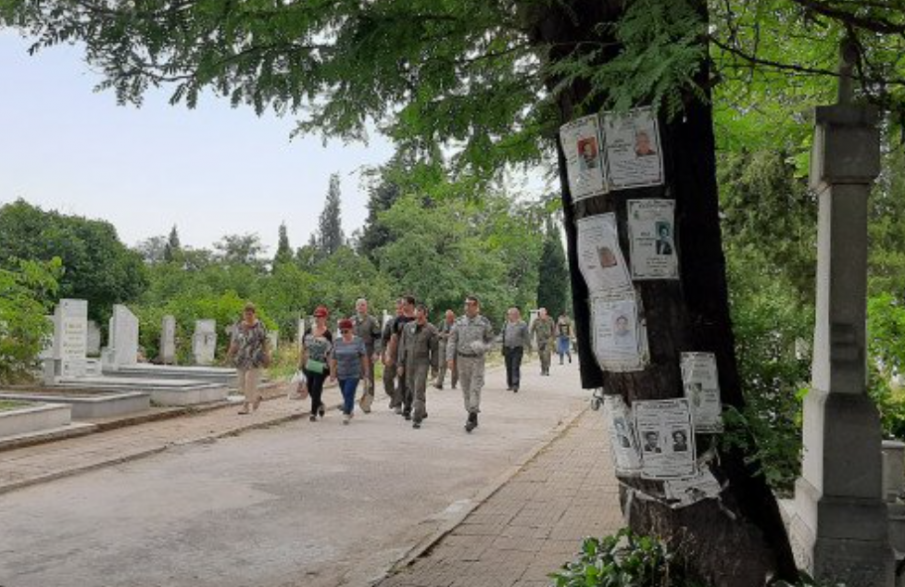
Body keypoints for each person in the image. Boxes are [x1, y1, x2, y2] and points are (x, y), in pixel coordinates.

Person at [446, 295, 494, 433]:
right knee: (466, 390)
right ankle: (472, 413)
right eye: (466, 304)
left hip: (477, 360)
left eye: (470, 304)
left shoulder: (484, 323)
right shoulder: (459, 322)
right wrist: (450, 358)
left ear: (476, 306)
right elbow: (452, 340)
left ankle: (471, 417)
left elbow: (491, 341)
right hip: (461, 360)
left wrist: (483, 347)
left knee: (475, 388)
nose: (467, 307)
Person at [397, 304, 439, 428]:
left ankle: (417, 417)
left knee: (419, 388)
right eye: (417, 313)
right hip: (409, 361)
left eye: (421, 313)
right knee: (411, 387)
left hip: (423, 361)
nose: (418, 316)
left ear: (425, 315)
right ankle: (422, 409)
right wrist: (400, 363)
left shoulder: (431, 330)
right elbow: (402, 346)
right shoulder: (408, 327)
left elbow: (435, 350)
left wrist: (435, 367)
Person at [226, 302, 270, 415]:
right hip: (241, 358)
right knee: (241, 384)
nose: (248, 316)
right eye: (246, 314)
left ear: (254, 314)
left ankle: (245, 406)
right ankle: (255, 397)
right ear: (243, 314)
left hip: (255, 358)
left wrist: (267, 355)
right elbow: (235, 342)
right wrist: (229, 355)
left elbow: (264, 341)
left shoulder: (260, 325)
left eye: (250, 314)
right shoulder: (239, 326)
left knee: (249, 381)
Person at [330, 318, 369, 425]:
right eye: (341, 331)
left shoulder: (358, 341)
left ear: (351, 330)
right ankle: (350, 408)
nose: (344, 333)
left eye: (346, 331)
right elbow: (333, 358)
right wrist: (332, 372)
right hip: (341, 373)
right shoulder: (337, 342)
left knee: (348, 392)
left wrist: (366, 370)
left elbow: (363, 356)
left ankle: (346, 413)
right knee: (346, 394)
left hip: (354, 372)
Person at [301, 305, 333, 422]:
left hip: (322, 365)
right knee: (309, 387)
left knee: (316, 387)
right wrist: (301, 364)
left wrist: (332, 369)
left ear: (325, 318)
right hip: (309, 363)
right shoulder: (308, 331)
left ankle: (313, 413)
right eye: (316, 316)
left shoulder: (327, 334)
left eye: (320, 316)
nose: (317, 318)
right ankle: (320, 404)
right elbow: (304, 348)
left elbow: (330, 352)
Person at [386, 295, 416, 416]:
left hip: (414, 353)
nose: (402, 307)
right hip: (400, 353)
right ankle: (399, 403)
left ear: (411, 305)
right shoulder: (398, 320)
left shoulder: (417, 318)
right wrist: (390, 355)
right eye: (402, 304)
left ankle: (410, 401)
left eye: (404, 304)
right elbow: (393, 338)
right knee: (400, 378)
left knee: (411, 380)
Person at [351, 298, 382, 413]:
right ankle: (349, 402)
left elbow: (378, 338)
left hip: (367, 350)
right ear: (355, 307)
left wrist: (376, 352)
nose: (361, 307)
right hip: (353, 352)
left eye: (363, 305)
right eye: (358, 305)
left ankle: (367, 402)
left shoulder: (372, 321)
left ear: (366, 307)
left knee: (368, 377)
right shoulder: (351, 321)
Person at [381, 299, 404, 411]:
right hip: (392, 355)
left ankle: (398, 404)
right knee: (387, 379)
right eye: (397, 308)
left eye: (401, 308)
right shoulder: (390, 322)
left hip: (405, 356)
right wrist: (383, 354)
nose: (399, 310)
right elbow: (384, 339)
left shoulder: (410, 322)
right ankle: (394, 397)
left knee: (401, 380)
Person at [501, 307, 529, 393]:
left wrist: (529, 347)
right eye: (508, 314)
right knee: (508, 367)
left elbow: (526, 336)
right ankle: (510, 384)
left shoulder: (522, 324)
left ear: (516, 314)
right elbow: (502, 334)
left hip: (517, 348)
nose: (508, 315)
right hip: (507, 348)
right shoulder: (506, 323)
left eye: (509, 314)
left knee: (515, 366)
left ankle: (515, 385)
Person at [435, 309, 458, 390]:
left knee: (455, 366)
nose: (449, 319)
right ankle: (439, 383)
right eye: (447, 317)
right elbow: (437, 333)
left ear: (453, 316)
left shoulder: (457, 324)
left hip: (454, 347)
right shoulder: (442, 323)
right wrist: (443, 335)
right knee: (442, 365)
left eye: (450, 317)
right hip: (443, 346)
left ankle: (453, 384)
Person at [530, 308, 555, 376]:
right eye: (540, 313)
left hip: (548, 340)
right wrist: (531, 338)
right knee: (541, 356)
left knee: (546, 354)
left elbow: (553, 329)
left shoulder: (550, 319)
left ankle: (547, 369)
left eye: (543, 312)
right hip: (540, 341)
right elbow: (532, 330)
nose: (542, 314)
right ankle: (543, 369)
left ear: (546, 312)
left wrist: (553, 339)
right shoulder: (536, 321)